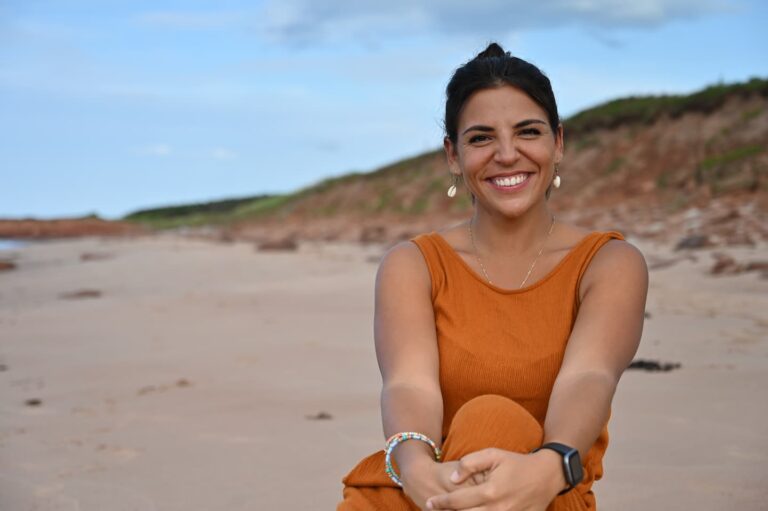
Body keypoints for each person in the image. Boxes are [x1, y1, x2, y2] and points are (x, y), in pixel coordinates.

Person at [337, 42, 648, 511]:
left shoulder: (608, 264)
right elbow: (408, 385)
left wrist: (550, 466)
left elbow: (590, 376)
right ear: (453, 156)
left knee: (494, 417)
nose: (507, 154)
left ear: (558, 143)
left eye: (528, 131)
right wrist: (417, 470)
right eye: (481, 138)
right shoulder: (413, 264)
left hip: (545, 491)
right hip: (426, 491)